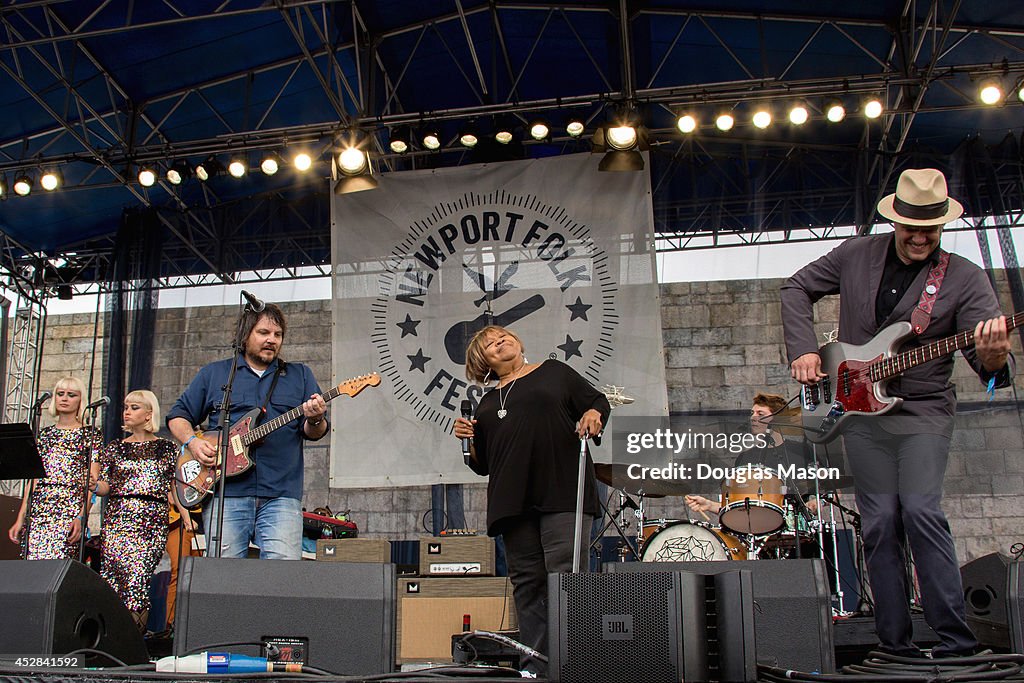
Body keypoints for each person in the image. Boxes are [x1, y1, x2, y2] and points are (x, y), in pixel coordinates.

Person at [780, 167, 1014, 657]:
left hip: (924, 413)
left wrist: (993, 354)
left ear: (942, 226)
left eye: (931, 228)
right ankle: (894, 643)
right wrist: (803, 350)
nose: (921, 237)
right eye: (912, 227)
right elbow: (795, 287)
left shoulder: (966, 279)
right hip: (859, 412)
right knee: (880, 521)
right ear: (895, 220)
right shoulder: (855, 254)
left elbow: (989, 371)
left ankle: (955, 639)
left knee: (922, 510)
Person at [453, 325, 610, 676]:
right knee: (527, 586)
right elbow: (483, 464)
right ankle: (536, 668)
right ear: (484, 362)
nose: (500, 342)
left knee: (566, 578)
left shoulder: (554, 371)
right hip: (513, 504)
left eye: (504, 336)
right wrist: (469, 440)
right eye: (491, 344)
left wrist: (593, 414)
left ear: (519, 342)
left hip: (562, 491)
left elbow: (595, 400)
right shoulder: (488, 402)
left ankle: (575, 666)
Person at [166, 303, 327, 560]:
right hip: (225, 493)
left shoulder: (300, 375)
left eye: (277, 335)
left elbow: (313, 432)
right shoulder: (215, 374)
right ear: (245, 335)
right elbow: (177, 416)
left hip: (280, 494)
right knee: (224, 577)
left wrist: (316, 418)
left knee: (283, 574)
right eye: (263, 333)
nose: (271, 340)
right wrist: (193, 444)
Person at [91, 390, 187, 631]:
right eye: (126, 406)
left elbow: (174, 488)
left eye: (134, 407)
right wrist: (93, 485)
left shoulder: (166, 448)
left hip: (150, 519)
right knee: (113, 580)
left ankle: (134, 640)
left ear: (149, 414)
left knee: (137, 579)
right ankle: (112, 640)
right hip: (117, 518)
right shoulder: (114, 448)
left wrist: (186, 517)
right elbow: (106, 486)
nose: (127, 411)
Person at [7, 377, 104, 559]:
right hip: (39, 511)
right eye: (60, 394)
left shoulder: (90, 434)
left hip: (69, 508)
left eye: (71, 395)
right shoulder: (44, 435)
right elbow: (33, 480)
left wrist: (81, 517)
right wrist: (21, 517)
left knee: (59, 569)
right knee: (33, 568)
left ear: (80, 400)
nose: (65, 399)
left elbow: (92, 480)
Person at [685, 392, 818, 520]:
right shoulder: (746, 458)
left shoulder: (801, 451)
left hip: (799, 528)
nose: (753, 418)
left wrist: (817, 503)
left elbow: (829, 486)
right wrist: (709, 505)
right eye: (752, 413)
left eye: (760, 414)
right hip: (759, 533)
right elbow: (739, 506)